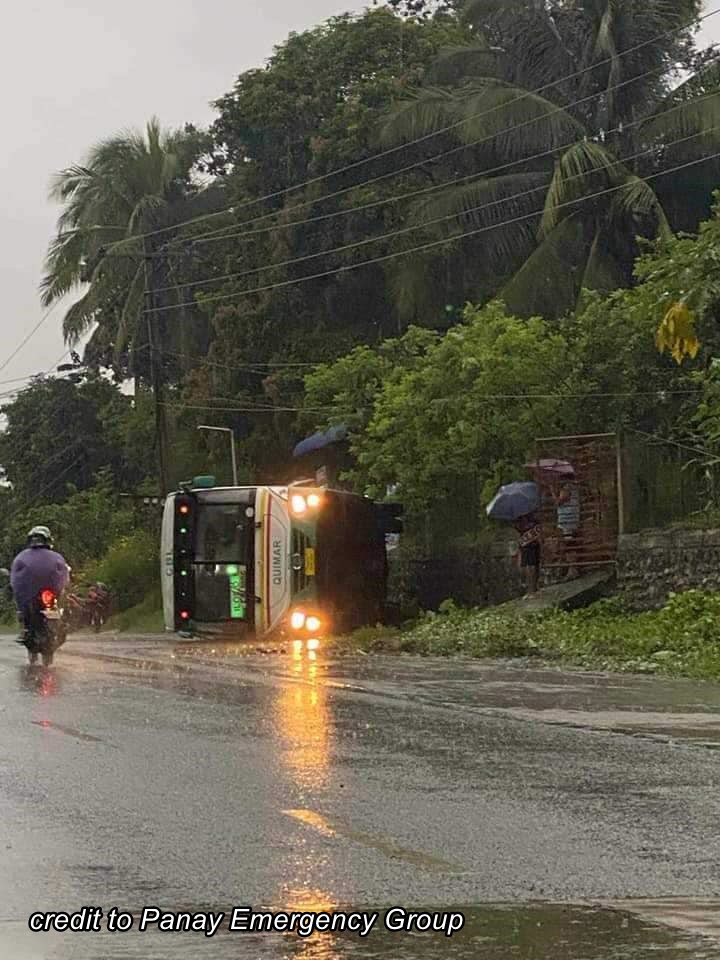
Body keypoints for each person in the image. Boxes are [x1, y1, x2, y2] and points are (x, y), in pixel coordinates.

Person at [10, 526, 70, 644]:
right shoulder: (56, 557)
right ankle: (58, 625)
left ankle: (27, 630)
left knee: (24, 610)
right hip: (50, 593)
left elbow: (14, 579)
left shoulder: (22, 557)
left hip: (33, 595)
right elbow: (65, 574)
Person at [554, 479, 581, 581]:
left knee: (569, 544)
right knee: (568, 544)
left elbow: (559, 502)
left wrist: (552, 491)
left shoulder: (566, 487)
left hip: (567, 521)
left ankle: (572, 570)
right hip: (570, 519)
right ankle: (570, 569)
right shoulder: (573, 487)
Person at [513, 511, 541, 596]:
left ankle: (533, 588)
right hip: (526, 544)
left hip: (533, 543)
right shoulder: (518, 518)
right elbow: (517, 529)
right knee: (528, 566)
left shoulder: (533, 517)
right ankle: (530, 589)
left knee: (534, 566)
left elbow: (538, 528)